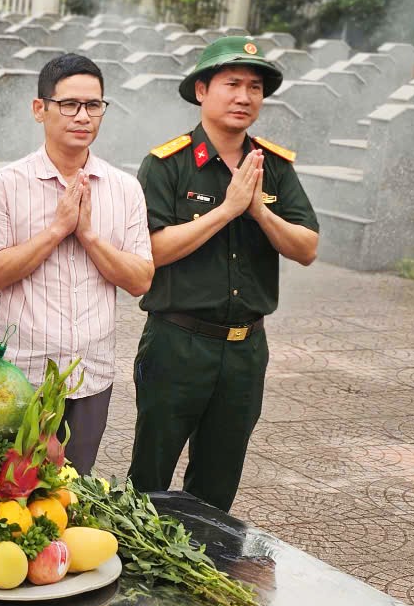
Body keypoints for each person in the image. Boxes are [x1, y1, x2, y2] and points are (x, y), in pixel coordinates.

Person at [127, 36, 319, 511]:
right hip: (177, 342)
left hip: (245, 350)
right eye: (232, 84)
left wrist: (260, 213)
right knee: (148, 479)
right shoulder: (167, 164)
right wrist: (227, 210)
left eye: (254, 87)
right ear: (201, 91)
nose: (244, 97)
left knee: (218, 484)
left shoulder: (272, 166)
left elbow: (306, 247)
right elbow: (151, 250)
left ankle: (204, 555)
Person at [0, 54, 153, 474]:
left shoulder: (124, 188)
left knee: (73, 492)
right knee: (9, 492)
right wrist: (56, 230)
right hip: (20, 377)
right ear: (40, 109)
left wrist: (88, 235)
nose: (83, 116)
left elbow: (141, 279)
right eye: (69, 104)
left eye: (93, 105)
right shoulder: (5, 184)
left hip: (91, 376)